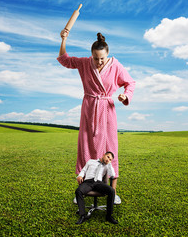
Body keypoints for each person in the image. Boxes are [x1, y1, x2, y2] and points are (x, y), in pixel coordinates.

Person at [57, 29, 135, 204]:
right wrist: (63, 39)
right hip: (89, 109)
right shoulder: (85, 63)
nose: (99, 62)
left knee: (109, 148)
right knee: (86, 146)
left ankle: (112, 193)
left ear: (108, 55)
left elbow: (130, 82)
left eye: (102, 58)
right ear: (91, 55)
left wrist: (125, 95)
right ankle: (82, 190)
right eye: (96, 58)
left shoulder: (116, 66)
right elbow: (64, 60)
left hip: (107, 109)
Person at [75, 152, 118, 224]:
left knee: (111, 191)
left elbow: (112, 175)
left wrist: (109, 164)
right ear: (104, 155)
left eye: (110, 159)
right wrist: (80, 176)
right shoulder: (91, 161)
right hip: (88, 182)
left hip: (98, 183)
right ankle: (82, 216)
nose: (108, 160)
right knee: (78, 191)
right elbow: (84, 170)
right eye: (108, 157)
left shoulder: (107, 166)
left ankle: (109, 216)